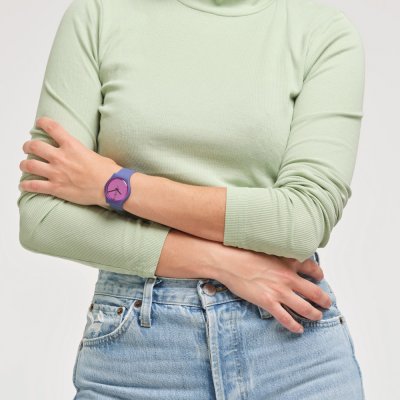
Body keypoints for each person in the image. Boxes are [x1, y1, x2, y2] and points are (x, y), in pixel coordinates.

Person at [17, 0, 366, 398]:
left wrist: (115, 185)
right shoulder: (99, 16)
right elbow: (43, 219)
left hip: (294, 355)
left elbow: (302, 221)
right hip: (136, 359)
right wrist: (224, 264)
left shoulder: (322, 33)